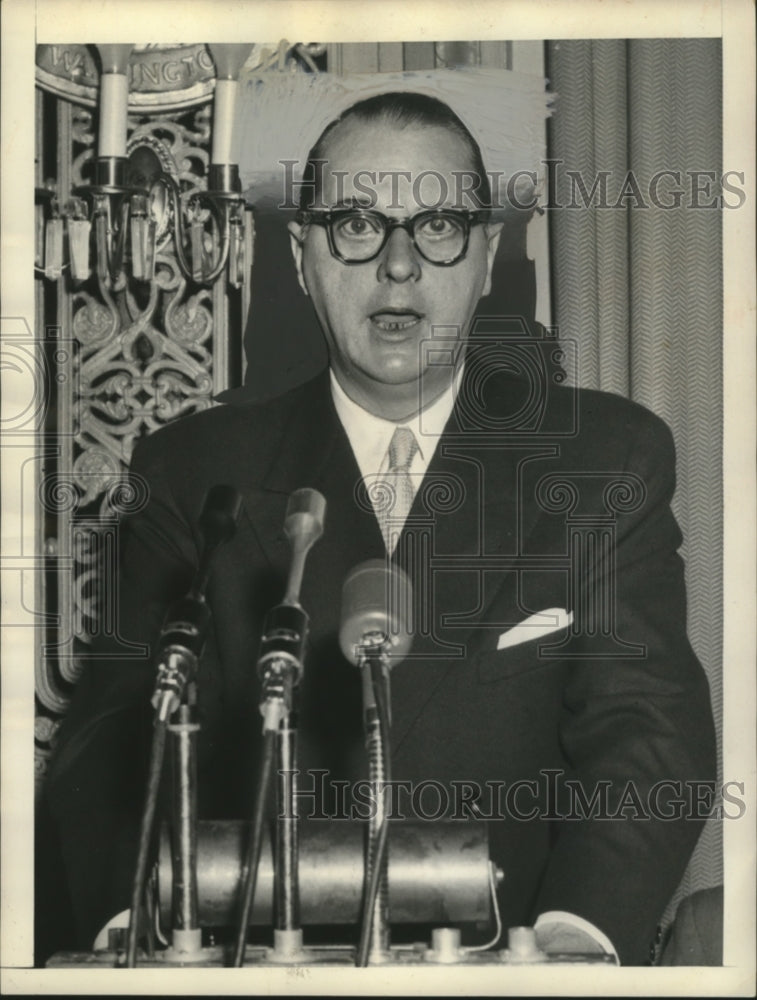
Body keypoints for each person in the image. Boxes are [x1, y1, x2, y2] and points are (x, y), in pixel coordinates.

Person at [42, 91, 716, 967]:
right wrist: (136, 934)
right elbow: (115, 736)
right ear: (300, 256)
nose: (398, 265)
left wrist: (570, 943)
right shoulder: (189, 472)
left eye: (437, 225)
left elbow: (647, 735)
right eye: (356, 223)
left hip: (509, 964)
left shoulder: (603, 459)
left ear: (485, 256)